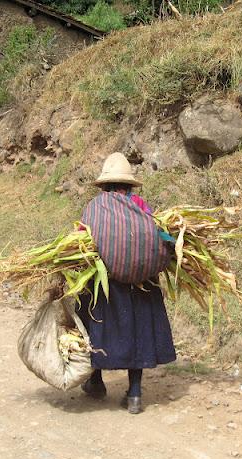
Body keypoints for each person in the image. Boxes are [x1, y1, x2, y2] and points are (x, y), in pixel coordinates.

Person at [76, 153, 176, 414]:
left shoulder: (95, 208)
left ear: (104, 185)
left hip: (110, 282)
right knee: (138, 330)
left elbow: (82, 242)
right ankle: (134, 394)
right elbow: (156, 235)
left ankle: (96, 380)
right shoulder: (141, 205)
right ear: (129, 184)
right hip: (142, 282)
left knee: (88, 308)